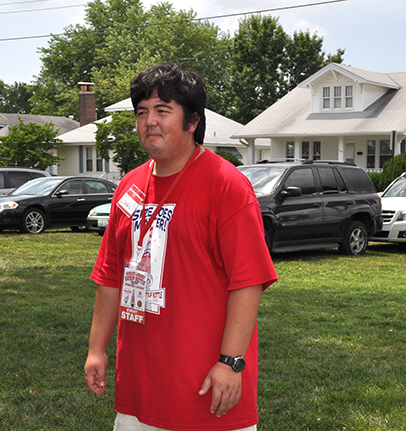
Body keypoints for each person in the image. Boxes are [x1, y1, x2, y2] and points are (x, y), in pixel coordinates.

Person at [84, 63, 278, 431]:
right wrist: (97, 349)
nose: (149, 122)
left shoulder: (226, 185)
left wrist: (232, 361)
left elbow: (248, 280)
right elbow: (110, 276)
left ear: (192, 121)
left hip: (208, 388)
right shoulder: (129, 186)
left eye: (162, 110)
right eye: (142, 112)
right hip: (140, 392)